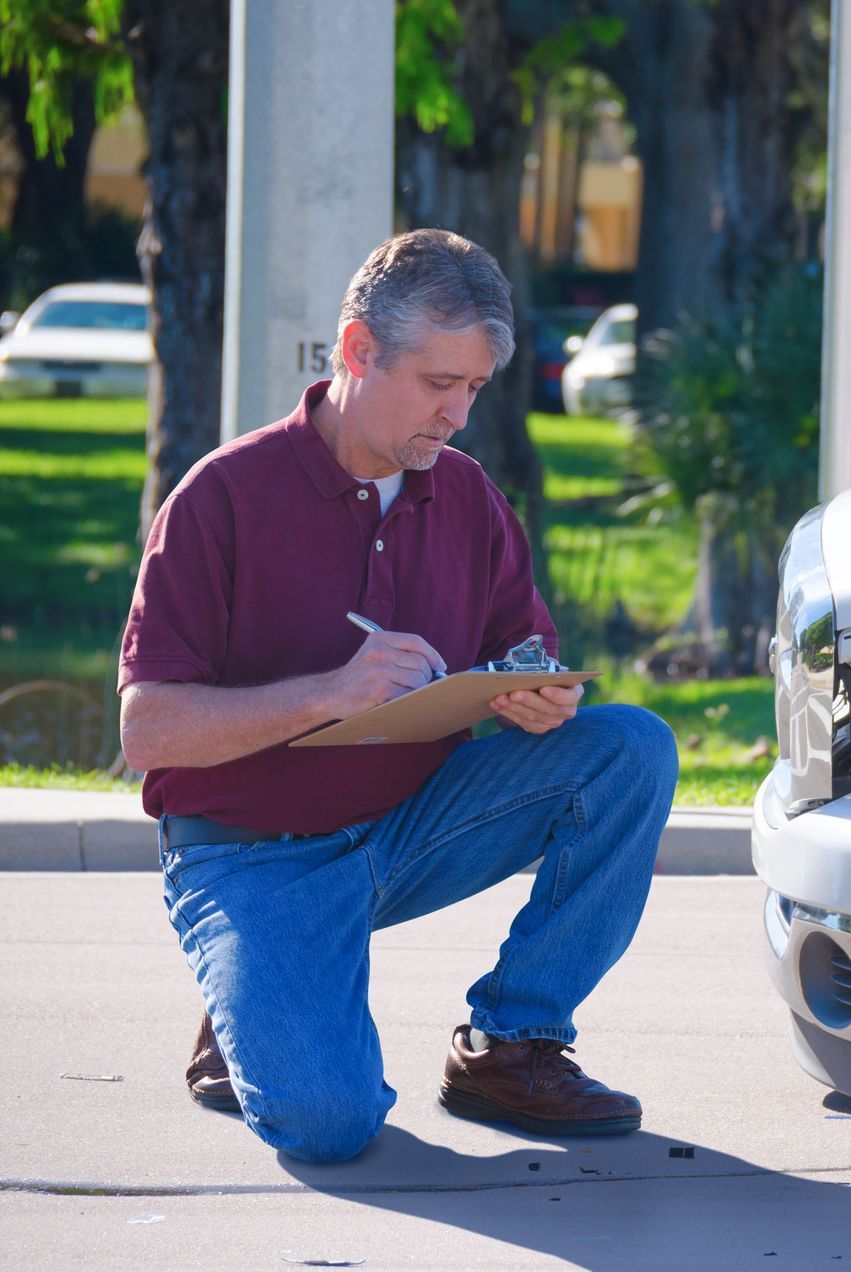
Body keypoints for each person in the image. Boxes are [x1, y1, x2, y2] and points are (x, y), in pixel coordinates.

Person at [118, 229, 676, 1164]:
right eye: (435, 383)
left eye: (474, 388)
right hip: (254, 858)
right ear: (357, 350)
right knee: (330, 1127)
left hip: (413, 828)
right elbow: (148, 731)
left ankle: (512, 1044)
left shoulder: (465, 495)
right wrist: (327, 694)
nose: (456, 414)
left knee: (629, 749)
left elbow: (520, 643)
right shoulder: (220, 497)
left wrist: (530, 693)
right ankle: (248, 993)